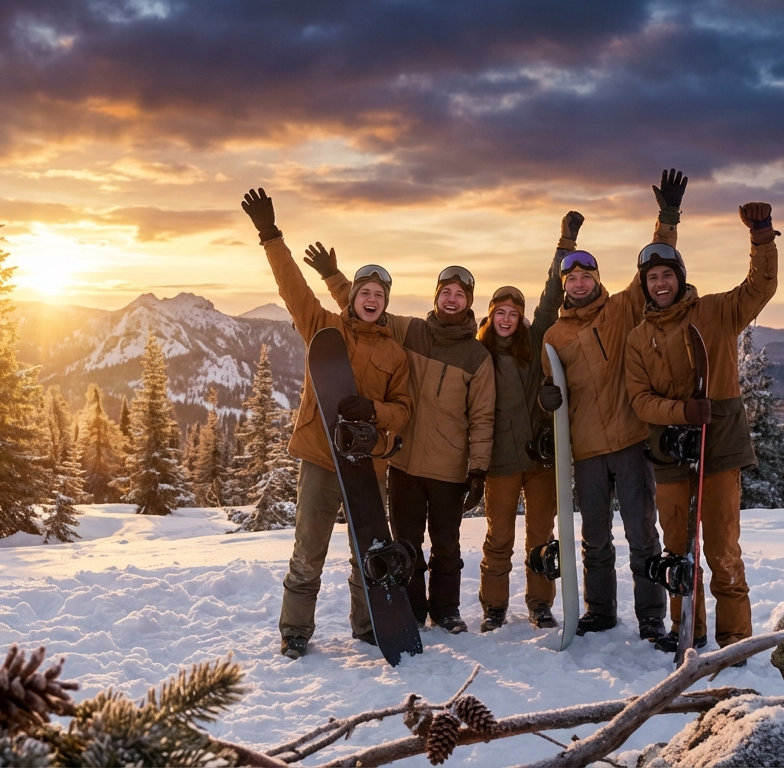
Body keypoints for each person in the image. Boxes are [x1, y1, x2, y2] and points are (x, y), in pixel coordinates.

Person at [240, 188, 413, 660]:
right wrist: (270, 235)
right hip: (321, 457)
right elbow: (293, 289)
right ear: (353, 298)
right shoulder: (323, 328)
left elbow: (403, 410)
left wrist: (374, 415)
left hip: (368, 462)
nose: (372, 300)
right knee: (308, 551)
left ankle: (367, 623)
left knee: (367, 554)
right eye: (366, 293)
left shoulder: (394, 352)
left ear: (385, 302)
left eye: (380, 295)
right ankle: (296, 630)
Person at [306, 246, 494, 633]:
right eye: (446, 292)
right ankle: (410, 607)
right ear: (437, 297)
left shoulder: (477, 356)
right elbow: (364, 308)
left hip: (448, 467)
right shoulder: (411, 331)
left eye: (460, 294)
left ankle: (446, 610)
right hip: (405, 464)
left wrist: (478, 470)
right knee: (406, 544)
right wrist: (333, 277)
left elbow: (482, 417)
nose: (452, 299)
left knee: (446, 547)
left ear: (468, 302)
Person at [624, 202, 779, 654]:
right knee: (678, 548)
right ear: (645, 286)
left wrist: (762, 237)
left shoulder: (716, 313)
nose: (660, 283)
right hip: (670, 452)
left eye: (666, 275)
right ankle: (687, 628)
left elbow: (760, 287)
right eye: (652, 278)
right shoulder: (639, 337)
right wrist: (680, 413)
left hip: (719, 444)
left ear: (680, 276)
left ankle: (734, 639)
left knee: (722, 548)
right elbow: (640, 399)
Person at [538, 169, 687, 639]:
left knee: (643, 535)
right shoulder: (554, 335)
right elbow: (553, 396)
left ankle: (650, 615)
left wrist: (667, 217)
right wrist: (548, 400)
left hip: (628, 440)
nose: (579, 282)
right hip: (585, 450)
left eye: (587, 275)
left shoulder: (621, 309)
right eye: (572, 277)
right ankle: (600, 610)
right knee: (594, 539)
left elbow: (654, 268)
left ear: (597, 279)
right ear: (565, 285)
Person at [474, 212, 581, 632]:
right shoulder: (478, 354)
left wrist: (565, 243)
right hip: (500, 462)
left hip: (539, 458)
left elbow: (552, 292)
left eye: (512, 312)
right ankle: (494, 607)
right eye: (499, 312)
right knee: (498, 538)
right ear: (491, 315)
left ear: (520, 317)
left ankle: (540, 603)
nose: (506, 319)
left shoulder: (535, 340)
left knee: (541, 535)